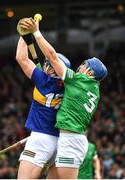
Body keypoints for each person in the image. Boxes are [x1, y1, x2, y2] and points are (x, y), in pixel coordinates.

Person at [20, 17, 107, 179]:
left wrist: (35, 33)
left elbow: (52, 57)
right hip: (65, 138)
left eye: (84, 65)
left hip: (70, 140)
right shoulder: (93, 88)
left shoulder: (78, 81)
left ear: (89, 73)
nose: (80, 66)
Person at [15, 33, 71, 178]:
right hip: (62, 143)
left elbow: (21, 58)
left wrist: (24, 35)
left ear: (54, 68)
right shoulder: (72, 87)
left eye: (49, 63)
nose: (46, 64)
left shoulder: (43, 80)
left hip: (41, 139)